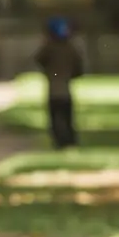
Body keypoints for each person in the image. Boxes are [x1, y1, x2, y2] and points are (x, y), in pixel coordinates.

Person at [35, 18, 84, 148]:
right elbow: (79, 68)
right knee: (67, 118)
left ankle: (59, 142)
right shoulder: (71, 49)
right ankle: (69, 141)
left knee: (55, 118)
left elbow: (39, 60)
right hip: (65, 90)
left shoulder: (49, 48)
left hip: (53, 91)